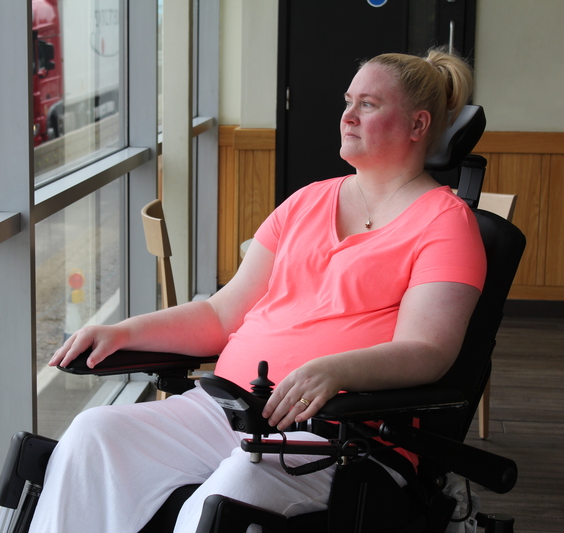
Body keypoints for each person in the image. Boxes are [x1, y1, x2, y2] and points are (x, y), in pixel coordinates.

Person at [29, 48, 486, 533]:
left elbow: (428, 349)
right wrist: (122, 331)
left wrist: (336, 369)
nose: (347, 116)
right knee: (94, 434)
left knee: (236, 486)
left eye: (368, 105)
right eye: (348, 101)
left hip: (339, 437)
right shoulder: (305, 202)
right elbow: (222, 317)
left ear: (418, 125)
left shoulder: (446, 224)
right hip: (229, 410)